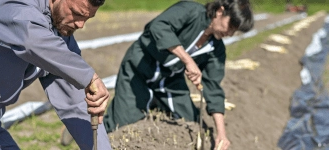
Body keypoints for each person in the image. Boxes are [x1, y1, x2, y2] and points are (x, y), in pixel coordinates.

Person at [0, 0, 112, 149]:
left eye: (87, 18)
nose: (80, 24)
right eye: (76, 13)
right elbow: (30, 40)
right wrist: (89, 76)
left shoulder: (60, 37)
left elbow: (75, 102)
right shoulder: (14, 6)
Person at [103, 0, 254, 149]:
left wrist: (222, 134)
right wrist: (187, 60)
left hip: (169, 79)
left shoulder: (217, 49)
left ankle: (156, 99)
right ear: (220, 11)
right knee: (123, 123)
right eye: (231, 26)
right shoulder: (190, 11)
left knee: (192, 121)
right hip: (139, 68)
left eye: (235, 31)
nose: (230, 33)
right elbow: (158, 26)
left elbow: (213, 87)